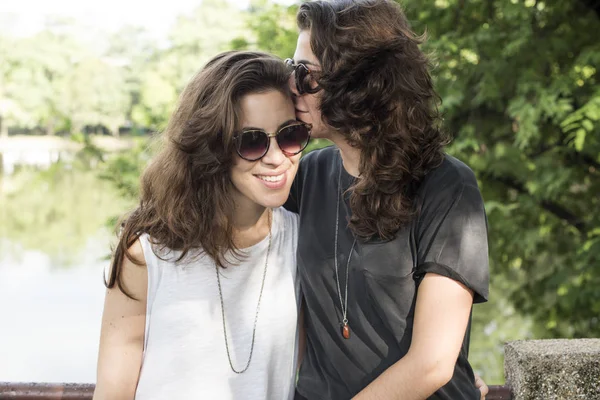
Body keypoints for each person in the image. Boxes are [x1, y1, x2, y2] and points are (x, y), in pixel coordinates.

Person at [284, 1, 490, 399]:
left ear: (360, 83)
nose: (291, 85)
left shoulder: (446, 187)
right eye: (291, 70)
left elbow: (431, 363)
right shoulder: (304, 176)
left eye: (305, 74)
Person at [93, 51, 312, 400]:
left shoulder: (303, 241)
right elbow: (112, 393)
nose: (276, 157)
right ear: (214, 145)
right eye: (252, 141)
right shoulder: (147, 254)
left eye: (290, 135)